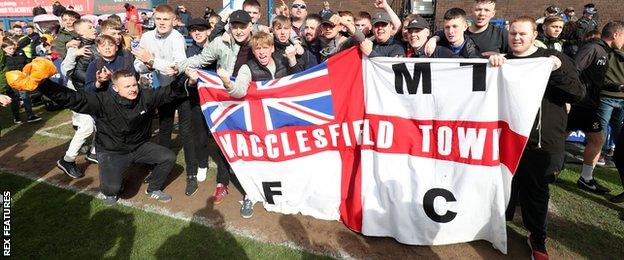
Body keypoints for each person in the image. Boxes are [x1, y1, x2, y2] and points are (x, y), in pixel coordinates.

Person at [8, 59, 184, 206]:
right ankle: (113, 181)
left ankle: (153, 188)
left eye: (134, 85)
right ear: (115, 88)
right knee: (112, 191)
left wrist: (186, 78)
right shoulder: (102, 100)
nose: (132, 89)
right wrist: (43, 84)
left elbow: (169, 92)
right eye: (127, 86)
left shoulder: (145, 96)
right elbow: (72, 98)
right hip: (112, 151)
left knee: (167, 157)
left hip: (139, 146)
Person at [488, 16, 584, 260]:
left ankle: (537, 238)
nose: (517, 38)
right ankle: (495, 226)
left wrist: (557, 70)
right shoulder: (503, 60)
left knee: (536, 190)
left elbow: (577, 94)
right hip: (506, 137)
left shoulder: (552, 59)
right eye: (513, 34)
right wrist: (491, 64)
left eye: (522, 34)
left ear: (534, 35)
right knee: (501, 184)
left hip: (541, 141)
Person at [132, 4, 197, 195]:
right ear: (154, 18)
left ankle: (191, 174)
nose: (161, 23)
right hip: (162, 90)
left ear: (173, 20)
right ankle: (161, 169)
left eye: (166, 19)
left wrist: (151, 61)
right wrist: (147, 64)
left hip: (181, 88)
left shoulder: (177, 37)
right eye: (158, 19)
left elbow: (176, 67)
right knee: (165, 129)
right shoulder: (146, 37)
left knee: (186, 132)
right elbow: (138, 65)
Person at [568, 20, 624, 194]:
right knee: (557, 139)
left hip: (588, 105)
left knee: (597, 139)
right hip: (581, 104)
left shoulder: (604, 51)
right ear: (616, 35)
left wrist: (618, 87)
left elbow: (598, 81)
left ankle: (586, 178)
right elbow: (573, 70)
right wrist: (570, 98)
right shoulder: (593, 48)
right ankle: (550, 171)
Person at [58, 18, 99, 179]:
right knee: (87, 127)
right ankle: (67, 160)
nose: (94, 29)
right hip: (79, 95)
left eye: (94, 26)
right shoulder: (75, 46)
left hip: (91, 93)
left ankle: (94, 152)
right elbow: (65, 70)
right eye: (90, 27)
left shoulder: (95, 44)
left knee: (100, 122)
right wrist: (75, 53)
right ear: (80, 32)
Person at [2, 38, 41, 124]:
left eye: (13, 48)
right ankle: (16, 117)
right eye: (9, 49)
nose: (12, 50)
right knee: (14, 100)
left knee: (26, 97)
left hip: (22, 80)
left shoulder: (19, 53)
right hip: (10, 82)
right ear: (4, 48)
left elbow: (27, 62)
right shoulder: (3, 59)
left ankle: (30, 115)